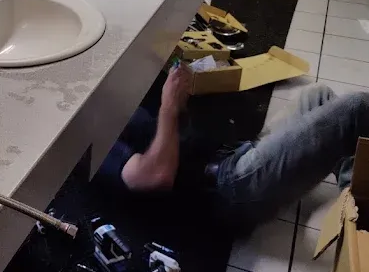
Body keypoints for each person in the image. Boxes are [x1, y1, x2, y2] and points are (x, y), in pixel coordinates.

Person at [102, 64, 363, 226]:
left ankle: (353, 191)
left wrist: (177, 104)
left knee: (318, 95)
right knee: (355, 110)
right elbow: (154, 177)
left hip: (231, 155)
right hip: (228, 189)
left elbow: (172, 137)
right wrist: (168, 107)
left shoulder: (109, 107)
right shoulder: (88, 144)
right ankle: (359, 218)